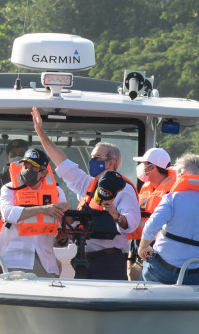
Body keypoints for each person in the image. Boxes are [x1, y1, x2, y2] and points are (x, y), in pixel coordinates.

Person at [31, 108, 140, 279]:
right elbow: (61, 161)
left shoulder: (123, 189)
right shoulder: (88, 184)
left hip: (109, 260)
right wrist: (40, 132)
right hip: (85, 259)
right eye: (91, 157)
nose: (91, 161)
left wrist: (115, 215)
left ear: (111, 163)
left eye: (96, 158)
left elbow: (131, 223)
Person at [138, 153, 199, 285]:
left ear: (182, 174)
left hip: (162, 271)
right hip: (195, 276)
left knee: (144, 279)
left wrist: (142, 247)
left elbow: (150, 228)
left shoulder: (172, 199)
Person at [0, 147, 70, 277]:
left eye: (32, 167)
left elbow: (64, 223)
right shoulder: (9, 189)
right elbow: (8, 214)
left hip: (46, 261)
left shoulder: (57, 192)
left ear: (43, 172)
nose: (27, 170)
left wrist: (67, 214)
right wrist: (43, 209)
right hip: (14, 259)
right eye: (25, 166)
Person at [126, 147, 177, 279]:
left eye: (144, 164)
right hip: (139, 252)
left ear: (152, 167)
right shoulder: (146, 187)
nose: (141, 167)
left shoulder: (174, 191)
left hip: (159, 255)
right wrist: (131, 257)